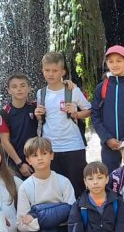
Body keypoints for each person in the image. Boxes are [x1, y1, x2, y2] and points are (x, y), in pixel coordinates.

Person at [17, 136, 75, 232]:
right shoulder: (25, 187)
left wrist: (38, 218)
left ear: (52, 155)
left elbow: (71, 213)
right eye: (34, 155)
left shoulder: (64, 182)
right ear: (28, 160)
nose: (40, 158)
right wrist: (56, 214)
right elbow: (22, 224)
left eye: (43, 153)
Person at [34, 50, 92, 198]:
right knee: (55, 190)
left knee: (77, 188)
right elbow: (43, 120)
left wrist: (76, 114)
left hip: (73, 146)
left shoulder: (73, 90)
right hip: (50, 149)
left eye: (55, 70)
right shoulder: (41, 93)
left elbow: (89, 110)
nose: (50, 74)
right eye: (47, 70)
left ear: (63, 72)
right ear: (42, 71)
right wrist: (38, 115)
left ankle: (79, 219)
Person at [0, 72, 38, 178]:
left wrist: (66, 83)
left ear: (29, 88)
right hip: (13, 162)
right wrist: (20, 163)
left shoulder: (35, 107)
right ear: (9, 90)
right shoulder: (4, 113)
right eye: (14, 86)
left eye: (23, 86)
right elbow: (4, 141)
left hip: (34, 158)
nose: (19, 89)